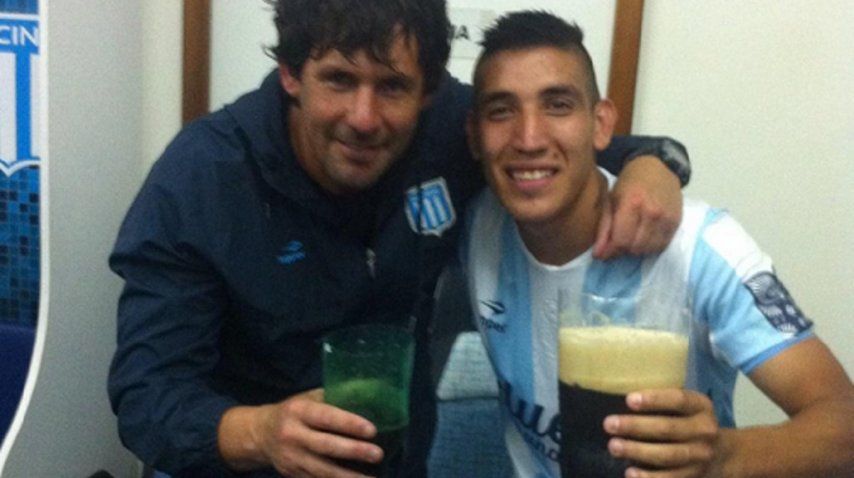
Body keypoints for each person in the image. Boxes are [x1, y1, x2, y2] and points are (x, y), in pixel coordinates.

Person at [107, 1, 693, 477]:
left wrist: (655, 164)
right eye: (339, 80)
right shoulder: (200, 179)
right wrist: (260, 433)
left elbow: (577, 147)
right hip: (245, 464)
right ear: (291, 75)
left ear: (428, 91)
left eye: (391, 87)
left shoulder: (450, 129)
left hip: (399, 459)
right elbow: (145, 394)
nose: (364, 117)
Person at [462, 10, 854, 478]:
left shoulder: (702, 249)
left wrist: (724, 456)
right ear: (473, 136)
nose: (529, 138)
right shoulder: (474, 223)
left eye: (558, 105)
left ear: (601, 124)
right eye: (501, 111)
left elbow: (844, 425)